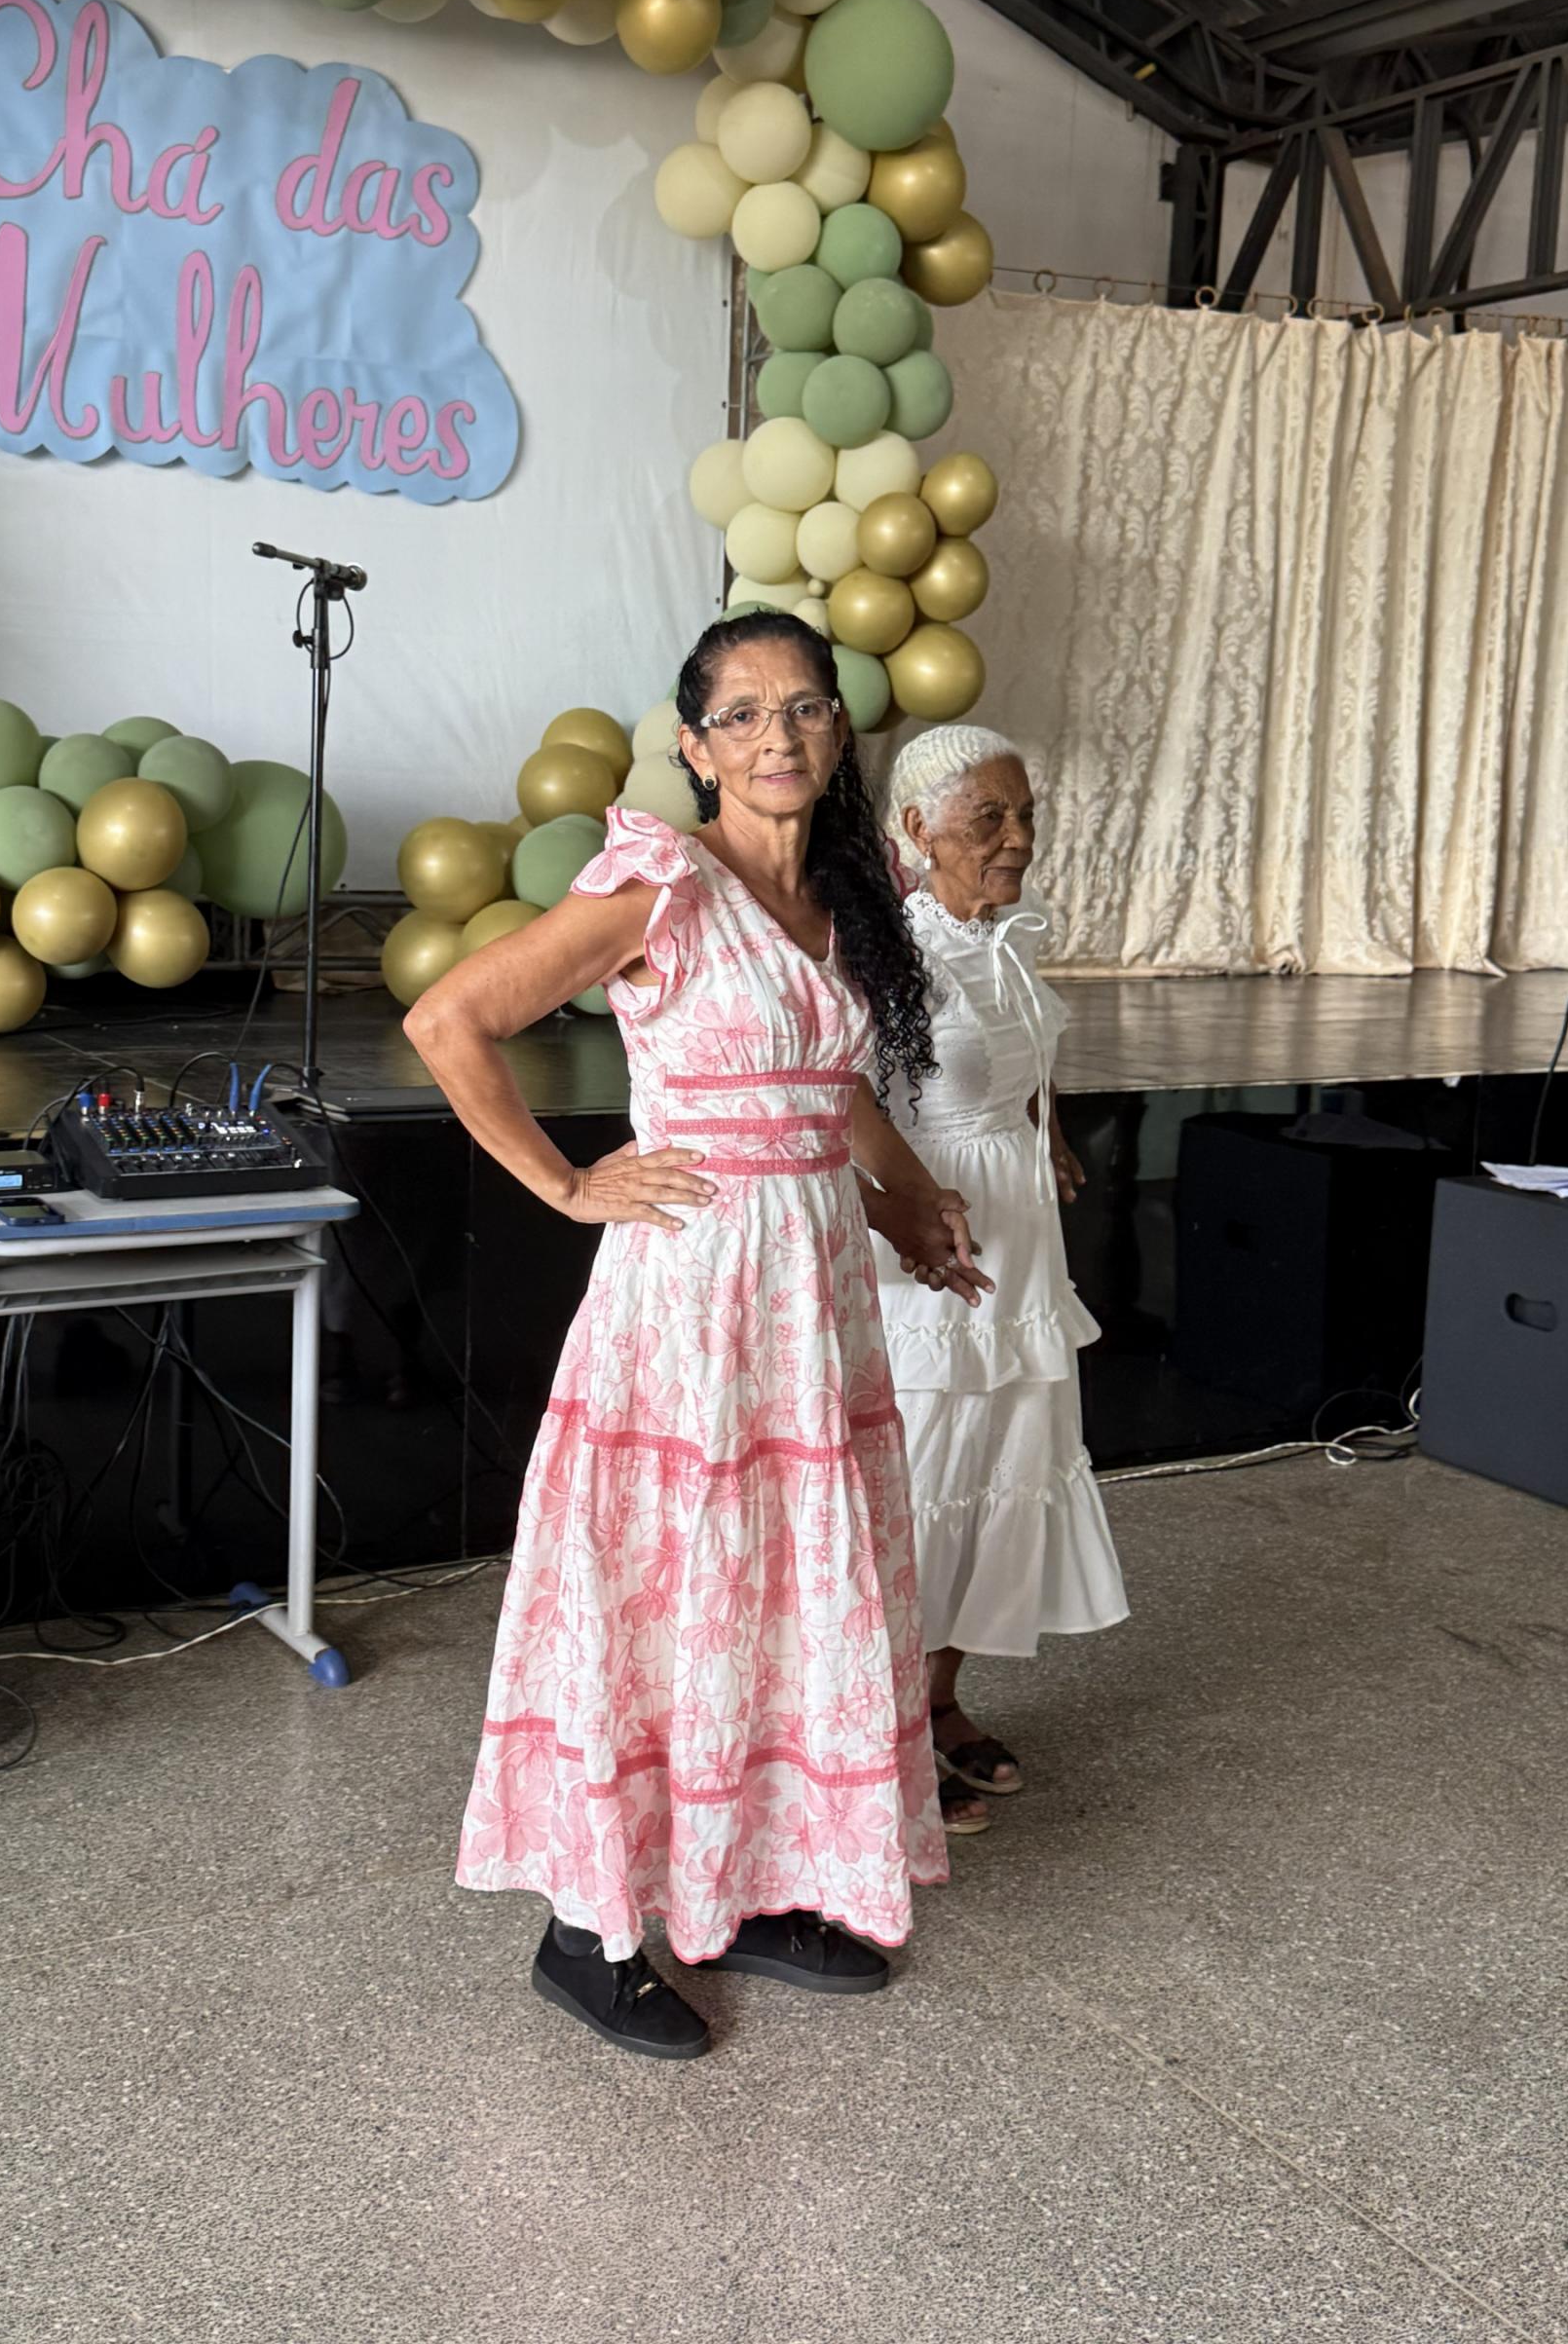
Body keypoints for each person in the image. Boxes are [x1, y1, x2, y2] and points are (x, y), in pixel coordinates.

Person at [405, 612, 989, 2061]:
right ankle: (587, 1934)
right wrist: (567, 1183)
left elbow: (826, 1088)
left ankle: (755, 1887)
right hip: (691, 1306)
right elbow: (449, 1020)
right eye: (742, 714)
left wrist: (903, 1203)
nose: (777, 735)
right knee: (667, 1595)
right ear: (695, 746)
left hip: (813, 1304)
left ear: (838, 730)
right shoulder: (659, 879)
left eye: (804, 708)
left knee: (783, 1591)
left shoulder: (844, 899)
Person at [874, 726, 1128, 1837]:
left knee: (1001, 1470)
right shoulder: (887, 952)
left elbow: (1020, 1061)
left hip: (1020, 1239)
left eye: (1025, 815)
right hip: (929, 1247)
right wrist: (905, 1214)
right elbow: (845, 1103)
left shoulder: (1008, 935)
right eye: (990, 817)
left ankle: (938, 1702)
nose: (1018, 837)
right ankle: (877, 1736)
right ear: (917, 829)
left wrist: (1046, 1133)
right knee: (920, 1483)